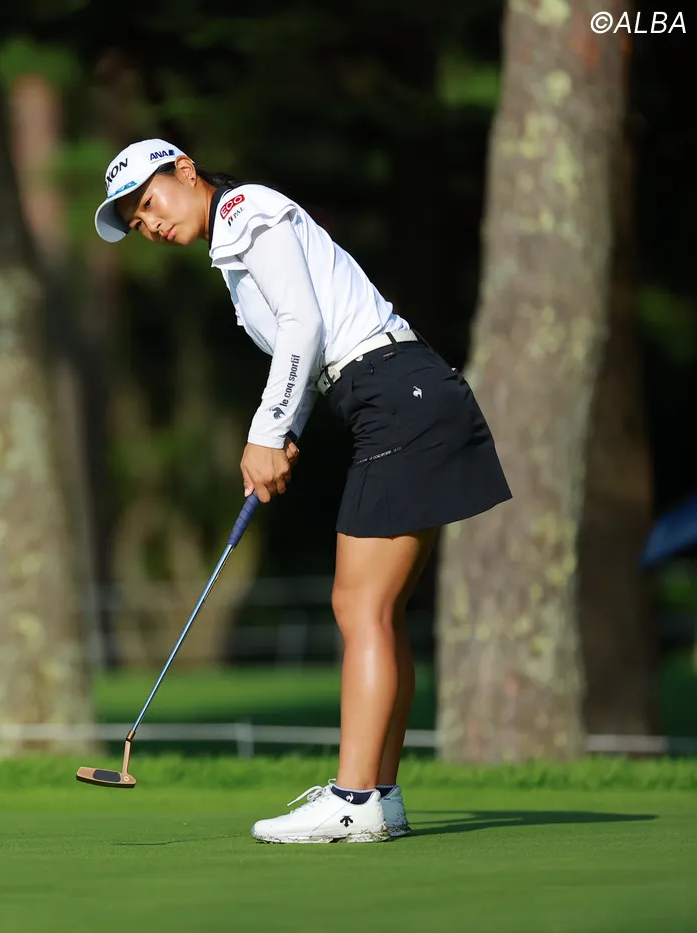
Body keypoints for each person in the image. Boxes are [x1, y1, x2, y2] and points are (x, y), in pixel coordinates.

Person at [93, 139, 511, 843]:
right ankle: (379, 795)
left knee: (359, 604)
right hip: (395, 395)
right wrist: (286, 430)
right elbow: (311, 350)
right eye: (136, 221)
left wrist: (265, 429)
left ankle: (353, 798)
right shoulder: (232, 251)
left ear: (185, 171)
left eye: (150, 201)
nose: (149, 223)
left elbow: (303, 325)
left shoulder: (245, 210)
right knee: (377, 609)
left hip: (396, 395)